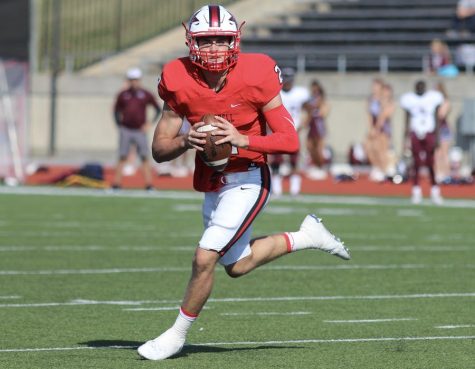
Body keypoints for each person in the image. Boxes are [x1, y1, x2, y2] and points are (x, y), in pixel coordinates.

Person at [137, 4, 350, 361]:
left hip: (250, 177)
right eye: (207, 41)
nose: (215, 48)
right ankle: (306, 236)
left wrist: (241, 138)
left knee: (204, 258)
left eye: (222, 39)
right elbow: (159, 149)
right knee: (237, 265)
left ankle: (175, 336)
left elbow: (289, 140)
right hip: (212, 181)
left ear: (236, 39)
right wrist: (184, 141)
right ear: (192, 42)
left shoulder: (257, 71)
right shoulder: (176, 76)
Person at [112, 67, 161, 190]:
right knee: (122, 156)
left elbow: (157, 109)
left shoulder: (145, 94)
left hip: (139, 130)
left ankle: (149, 184)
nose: (134, 82)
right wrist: (120, 125)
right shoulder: (123, 95)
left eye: (136, 80)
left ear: (139, 80)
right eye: (131, 80)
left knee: (144, 156)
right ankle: (116, 184)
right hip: (126, 129)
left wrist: (149, 124)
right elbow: (116, 111)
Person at [400, 80, 444, 205]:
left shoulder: (432, 98)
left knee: (431, 163)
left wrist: (437, 137)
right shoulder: (409, 99)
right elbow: (407, 119)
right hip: (415, 132)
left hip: (429, 132)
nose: (420, 88)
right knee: (416, 164)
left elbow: (436, 117)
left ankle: (435, 191)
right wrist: (405, 138)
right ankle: (416, 191)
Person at [269, 67, 310, 196]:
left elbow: (309, 109)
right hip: (277, 129)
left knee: (294, 159)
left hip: (294, 129)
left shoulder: (300, 93)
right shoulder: (275, 92)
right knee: (276, 159)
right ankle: (276, 187)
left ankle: (295, 187)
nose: (287, 82)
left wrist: (304, 123)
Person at [364, 79, 395, 181]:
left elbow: (383, 115)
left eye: (376, 86)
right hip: (374, 126)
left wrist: (377, 128)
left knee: (380, 149)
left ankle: (383, 169)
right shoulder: (371, 99)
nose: (374, 88)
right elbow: (369, 114)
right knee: (368, 147)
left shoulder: (383, 99)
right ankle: (377, 167)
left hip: (382, 127)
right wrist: (371, 128)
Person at [305, 79, 330, 180]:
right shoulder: (311, 99)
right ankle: (315, 165)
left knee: (319, 147)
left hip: (319, 125)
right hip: (312, 124)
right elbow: (307, 110)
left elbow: (323, 111)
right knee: (310, 146)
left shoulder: (321, 99)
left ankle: (321, 167)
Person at [434, 82, 453, 183]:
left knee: (444, 153)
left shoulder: (445, 102)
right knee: (437, 153)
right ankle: (438, 172)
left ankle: (446, 173)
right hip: (436, 130)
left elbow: (441, 115)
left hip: (443, 130)